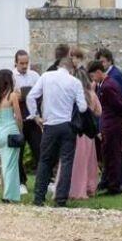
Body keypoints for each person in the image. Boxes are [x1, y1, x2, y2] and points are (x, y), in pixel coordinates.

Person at [26, 45, 88, 207]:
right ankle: (61, 199)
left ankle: (39, 197)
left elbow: (31, 97)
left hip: (50, 124)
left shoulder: (46, 77)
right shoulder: (74, 82)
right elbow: (82, 107)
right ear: (71, 69)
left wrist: (35, 116)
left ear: (59, 65)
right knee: (66, 161)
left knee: (45, 161)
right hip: (67, 125)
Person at [63, 50, 101, 200]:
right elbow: (99, 112)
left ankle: (72, 188)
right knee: (88, 161)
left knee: (74, 161)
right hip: (87, 132)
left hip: (74, 130)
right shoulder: (91, 94)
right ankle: (89, 187)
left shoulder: (71, 94)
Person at [89, 59, 122, 195]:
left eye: (93, 76)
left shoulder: (107, 86)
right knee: (109, 154)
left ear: (99, 72)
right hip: (111, 123)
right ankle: (109, 182)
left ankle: (114, 186)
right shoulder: (107, 84)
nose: (93, 79)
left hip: (112, 124)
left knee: (112, 155)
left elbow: (118, 105)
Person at [0, 69, 24, 203]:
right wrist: (20, 131)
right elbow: (19, 117)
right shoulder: (12, 96)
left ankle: (5, 192)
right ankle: (8, 196)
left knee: (4, 163)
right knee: (11, 165)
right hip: (11, 130)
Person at [13, 49, 42, 195]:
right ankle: (21, 182)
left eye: (26, 63)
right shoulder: (12, 77)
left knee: (39, 149)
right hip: (18, 119)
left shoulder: (35, 75)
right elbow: (9, 97)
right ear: (16, 63)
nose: (24, 66)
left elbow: (41, 93)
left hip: (33, 117)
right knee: (19, 151)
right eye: (21, 63)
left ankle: (44, 180)